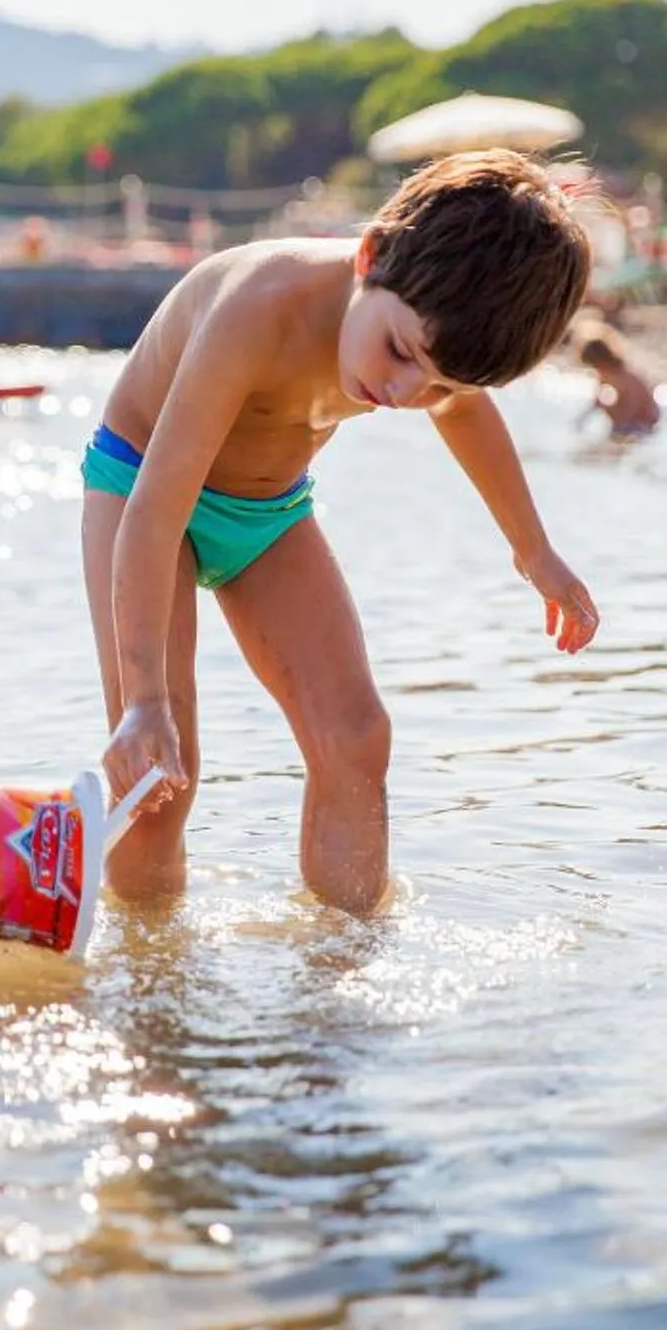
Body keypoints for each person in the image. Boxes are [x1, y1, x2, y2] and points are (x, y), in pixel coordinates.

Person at [86, 149, 597, 917]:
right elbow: (158, 511)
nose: (403, 391)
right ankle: (151, 967)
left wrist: (535, 552)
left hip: (268, 514)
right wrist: (143, 701)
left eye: (439, 385)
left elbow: (466, 413)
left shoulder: (423, 344)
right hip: (142, 493)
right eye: (400, 354)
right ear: (370, 257)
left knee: (357, 737)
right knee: (162, 771)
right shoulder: (260, 308)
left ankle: (340, 961)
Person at [575, 324, 660, 439]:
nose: (596, 370)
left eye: (595, 366)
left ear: (603, 361)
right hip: (629, 423)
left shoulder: (623, 377)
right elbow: (597, 402)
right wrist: (582, 420)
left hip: (640, 424)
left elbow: (633, 405)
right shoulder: (605, 375)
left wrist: (618, 422)